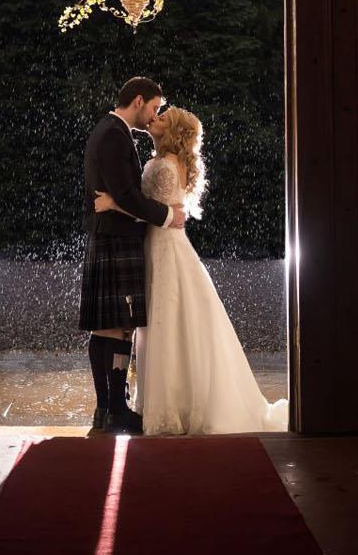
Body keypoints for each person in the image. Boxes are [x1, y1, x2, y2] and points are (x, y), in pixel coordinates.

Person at [94, 106, 289, 435]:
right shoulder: (167, 160)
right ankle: (171, 399)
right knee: (170, 322)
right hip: (164, 244)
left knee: (165, 322)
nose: (155, 118)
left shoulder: (165, 165)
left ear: (173, 131)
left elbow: (150, 210)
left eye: (163, 117)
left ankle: (168, 405)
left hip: (164, 246)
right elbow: (162, 209)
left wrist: (114, 204)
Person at [79, 76, 187, 434]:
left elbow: (119, 194)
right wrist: (167, 216)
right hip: (115, 239)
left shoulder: (113, 130)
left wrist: (115, 201)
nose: (155, 114)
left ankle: (112, 407)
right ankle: (110, 408)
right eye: (154, 107)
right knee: (112, 326)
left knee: (120, 328)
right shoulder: (113, 133)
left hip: (115, 237)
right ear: (138, 101)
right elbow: (125, 194)